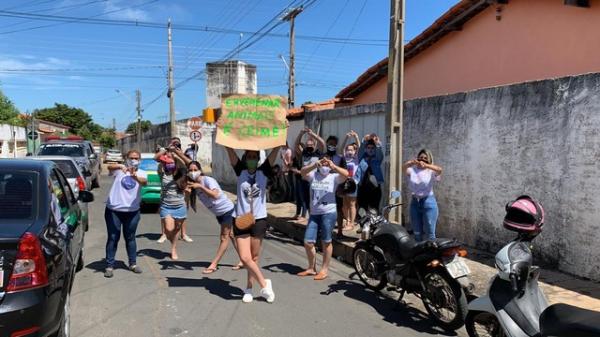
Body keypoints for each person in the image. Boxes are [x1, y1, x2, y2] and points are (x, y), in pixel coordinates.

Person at [224, 145, 280, 303]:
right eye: (249, 157)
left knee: (254, 257)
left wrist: (281, 139)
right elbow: (230, 150)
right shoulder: (240, 171)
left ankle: (248, 288)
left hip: (259, 220)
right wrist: (223, 133)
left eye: (254, 157)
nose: (252, 160)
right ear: (245, 159)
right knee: (244, 257)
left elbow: (275, 152)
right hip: (241, 219)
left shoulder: (263, 172)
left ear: (258, 159)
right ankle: (264, 283)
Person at [185, 161, 243, 273]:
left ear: (200, 170)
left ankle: (214, 264)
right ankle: (244, 259)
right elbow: (187, 204)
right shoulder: (193, 185)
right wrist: (188, 193)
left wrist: (201, 187)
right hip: (219, 214)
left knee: (224, 238)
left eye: (195, 170)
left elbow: (215, 195)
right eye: (190, 170)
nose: (193, 172)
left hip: (227, 211)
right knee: (231, 235)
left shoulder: (207, 180)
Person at [298, 156, 349, 280]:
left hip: (329, 213)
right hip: (314, 214)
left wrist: (334, 166)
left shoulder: (334, 177)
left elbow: (346, 174)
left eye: (327, 165)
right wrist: (315, 164)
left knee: (326, 241)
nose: (324, 167)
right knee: (308, 242)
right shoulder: (313, 176)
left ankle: (324, 269)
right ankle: (311, 268)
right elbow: (302, 172)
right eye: (323, 164)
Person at [104, 150, 148, 278]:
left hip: (132, 212)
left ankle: (132, 264)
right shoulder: (119, 171)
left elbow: (144, 182)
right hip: (114, 211)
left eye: (136, 158)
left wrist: (135, 177)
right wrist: (120, 166)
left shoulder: (142, 173)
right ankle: (109, 265)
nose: (134, 160)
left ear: (139, 160)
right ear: (126, 158)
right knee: (113, 237)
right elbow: (109, 167)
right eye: (131, 158)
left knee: (130, 237)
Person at [155, 140, 191, 260]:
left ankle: (173, 249)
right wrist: (166, 150)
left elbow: (188, 163)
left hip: (180, 206)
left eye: (172, 159)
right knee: (169, 230)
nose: (170, 160)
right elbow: (156, 158)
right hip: (166, 207)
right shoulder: (162, 173)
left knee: (176, 230)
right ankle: (172, 242)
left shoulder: (180, 173)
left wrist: (176, 154)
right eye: (167, 159)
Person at [403, 149, 442, 241]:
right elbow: (403, 168)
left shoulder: (431, 171)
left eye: (425, 158)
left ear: (429, 159)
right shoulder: (412, 170)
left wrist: (427, 165)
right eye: (421, 157)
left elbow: (440, 170)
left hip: (428, 202)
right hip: (415, 202)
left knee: (430, 233)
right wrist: (410, 162)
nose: (423, 159)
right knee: (417, 232)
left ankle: (431, 254)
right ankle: (419, 254)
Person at [293, 127, 325, 222]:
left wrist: (313, 135)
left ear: (315, 145)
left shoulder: (318, 153)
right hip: (304, 179)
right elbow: (296, 144)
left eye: (311, 145)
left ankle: (314, 217)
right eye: (308, 145)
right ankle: (306, 216)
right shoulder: (304, 153)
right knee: (305, 199)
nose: (309, 146)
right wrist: (301, 133)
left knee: (314, 200)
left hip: (315, 180)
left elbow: (322, 143)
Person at [355, 135, 385, 214]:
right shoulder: (362, 157)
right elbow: (361, 150)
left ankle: (374, 225)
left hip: (375, 188)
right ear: (365, 149)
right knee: (362, 209)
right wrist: (364, 140)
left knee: (374, 209)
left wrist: (377, 143)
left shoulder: (377, 158)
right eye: (368, 148)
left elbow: (380, 153)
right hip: (363, 187)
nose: (370, 150)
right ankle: (364, 225)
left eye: (372, 148)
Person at [325, 135, 347, 237]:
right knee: (325, 209)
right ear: (327, 144)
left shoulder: (340, 158)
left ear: (336, 145)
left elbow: (345, 173)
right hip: (325, 188)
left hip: (337, 188)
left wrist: (341, 188)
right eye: (330, 143)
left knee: (339, 209)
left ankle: (339, 231)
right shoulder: (322, 157)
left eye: (334, 144)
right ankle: (325, 229)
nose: (332, 145)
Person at [340, 130, 361, 233]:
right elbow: (341, 148)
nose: (349, 151)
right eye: (348, 150)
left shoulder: (356, 158)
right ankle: (347, 220)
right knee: (344, 204)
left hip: (353, 183)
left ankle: (352, 223)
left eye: (351, 150)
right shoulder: (344, 158)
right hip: (344, 183)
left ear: (355, 151)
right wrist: (346, 138)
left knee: (352, 204)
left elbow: (360, 147)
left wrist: (356, 137)